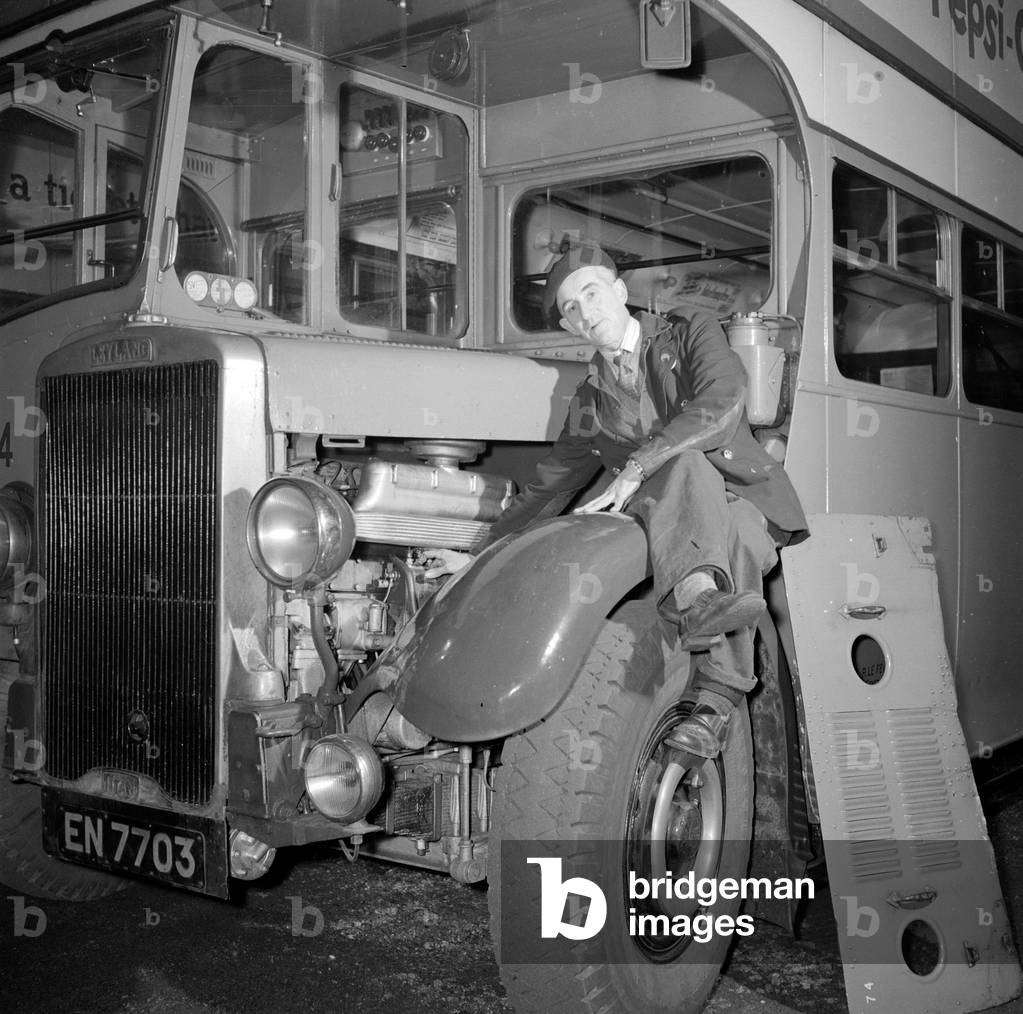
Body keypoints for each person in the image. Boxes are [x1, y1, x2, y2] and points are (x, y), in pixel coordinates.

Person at [425, 243, 806, 758]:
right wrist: (477, 557)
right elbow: (550, 486)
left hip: (741, 490)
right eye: (571, 309)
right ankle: (701, 616)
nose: (586, 312)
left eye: (591, 293)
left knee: (714, 498)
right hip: (666, 511)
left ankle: (715, 692)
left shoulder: (689, 328)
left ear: (620, 292)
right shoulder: (590, 398)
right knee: (696, 493)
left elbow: (721, 400)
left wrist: (636, 467)